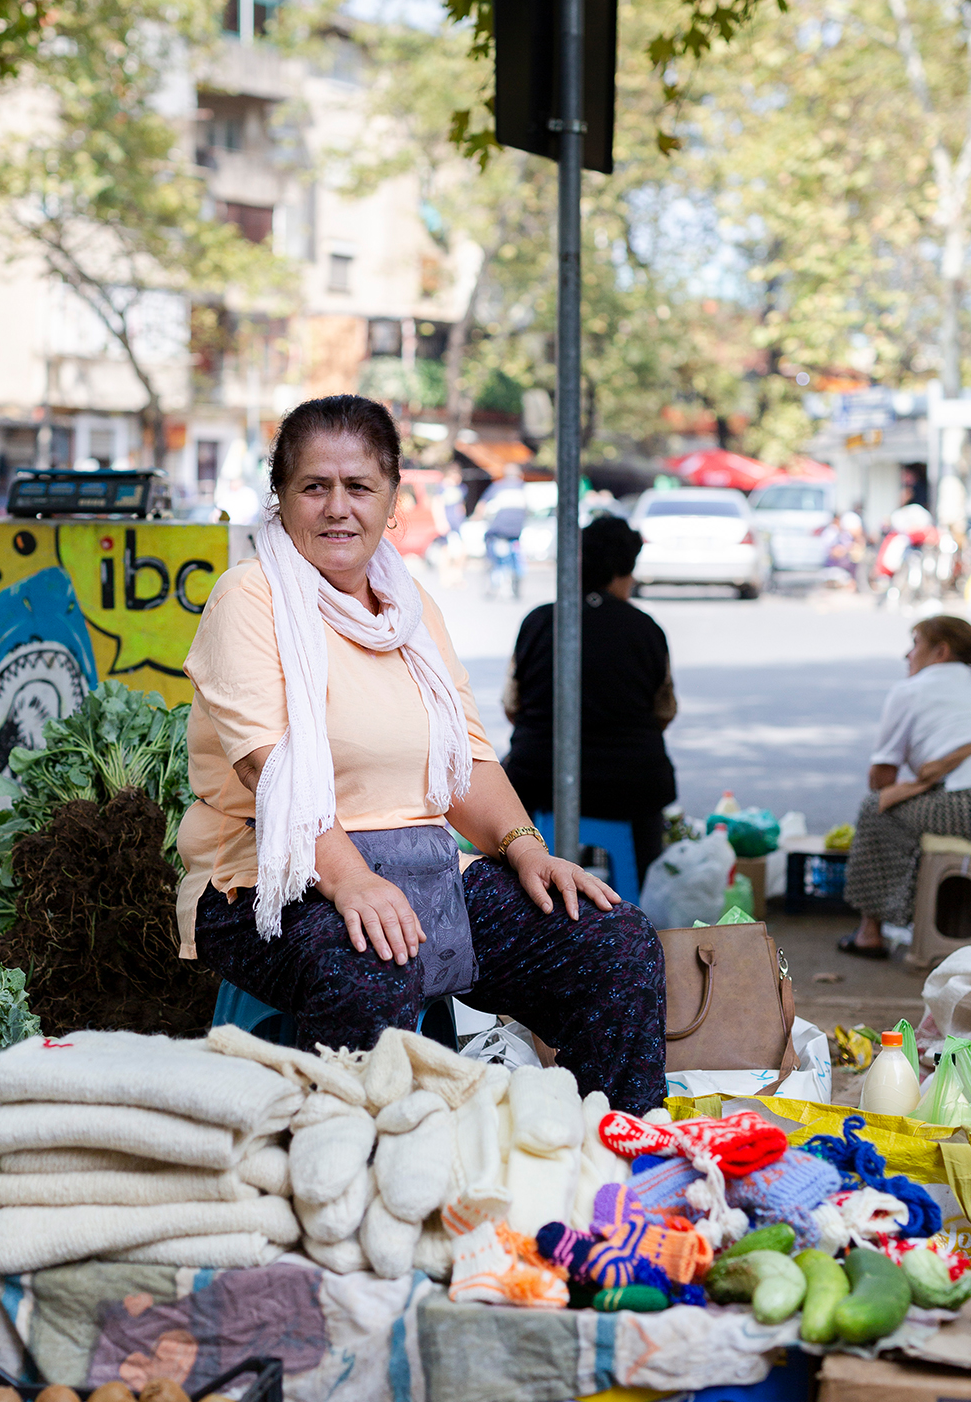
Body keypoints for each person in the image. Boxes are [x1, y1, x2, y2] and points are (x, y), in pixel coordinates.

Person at [176, 395, 665, 1113]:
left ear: (392, 500)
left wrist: (526, 846)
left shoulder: (409, 607)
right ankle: (339, 1182)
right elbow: (271, 771)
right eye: (315, 487)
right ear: (281, 499)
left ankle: (605, 1163)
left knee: (611, 942)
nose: (337, 507)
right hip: (268, 879)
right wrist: (350, 881)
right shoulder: (249, 596)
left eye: (359, 487)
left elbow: (464, 757)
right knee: (373, 965)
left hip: (423, 872)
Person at [501, 516, 678, 884]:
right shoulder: (646, 629)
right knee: (648, 809)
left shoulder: (538, 621)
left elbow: (512, 707)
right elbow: (665, 711)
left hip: (540, 776)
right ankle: (638, 896)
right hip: (629, 783)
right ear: (623, 572)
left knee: (505, 788)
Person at [841, 615, 971, 958]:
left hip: (962, 806)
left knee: (877, 806)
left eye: (915, 643)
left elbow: (882, 776)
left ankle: (870, 932)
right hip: (957, 801)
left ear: (940, 651)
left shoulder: (911, 689)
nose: (907, 654)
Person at [478, 463, 527, 599]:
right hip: (516, 533)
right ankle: (516, 584)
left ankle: (494, 587)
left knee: (497, 561)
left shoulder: (498, 486)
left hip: (498, 532)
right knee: (516, 560)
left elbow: (481, 507)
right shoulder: (522, 487)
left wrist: (479, 518)